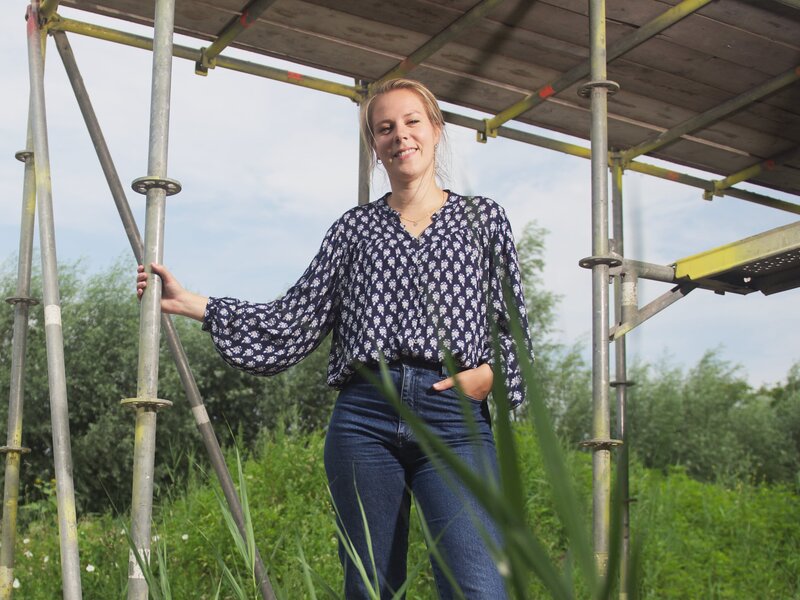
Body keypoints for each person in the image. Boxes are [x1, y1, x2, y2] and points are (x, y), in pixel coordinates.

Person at [137, 78, 533, 599]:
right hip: (364, 419)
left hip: (453, 417)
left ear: (436, 130)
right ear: (375, 145)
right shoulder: (354, 229)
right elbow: (293, 320)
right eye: (385, 128)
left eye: (412, 121)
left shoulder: (483, 220)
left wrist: (489, 377)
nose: (400, 136)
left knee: (477, 587)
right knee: (370, 588)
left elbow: (513, 328)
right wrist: (195, 304)